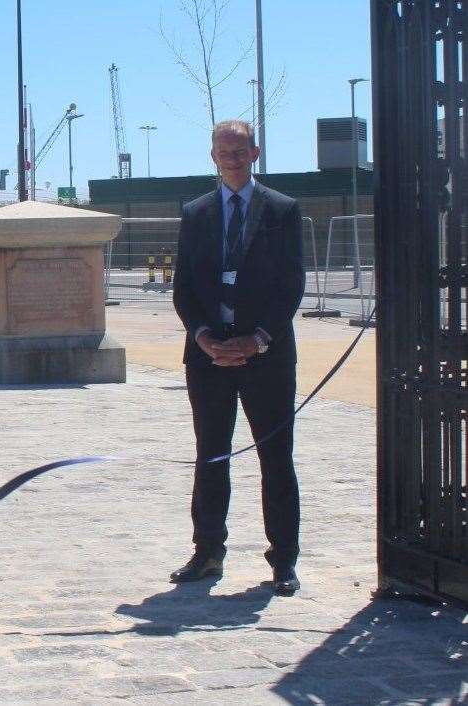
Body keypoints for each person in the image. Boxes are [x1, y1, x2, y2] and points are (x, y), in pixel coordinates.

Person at [171, 119, 304, 596]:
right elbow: (183, 287)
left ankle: (284, 560)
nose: (232, 157)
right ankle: (207, 552)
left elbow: (292, 286)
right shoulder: (197, 212)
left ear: (255, 152)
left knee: (275, 458)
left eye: (240, 149)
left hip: (266, 356)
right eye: (224, 150)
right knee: (212, 456)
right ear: (212, 156)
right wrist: (204, 336)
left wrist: (258, 339)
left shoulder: (282, 211)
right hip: (209, 358)